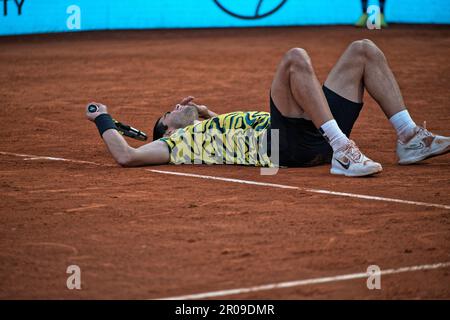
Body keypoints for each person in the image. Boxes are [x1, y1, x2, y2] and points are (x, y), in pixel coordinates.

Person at [86, 39, 449, 177]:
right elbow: (127, 157)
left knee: (363, 49)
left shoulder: (213, 127)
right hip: (289, 147)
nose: (183, 103)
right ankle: (343, 150)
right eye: (171, 111)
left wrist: (212, 115)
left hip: (310, 131)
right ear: (169, 130)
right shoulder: (180, 144)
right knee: (295, 59)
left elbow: (240, 129)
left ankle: (409, 136)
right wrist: (102, 115)